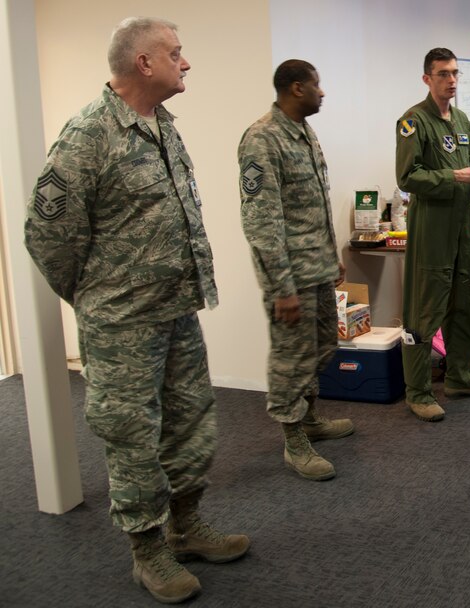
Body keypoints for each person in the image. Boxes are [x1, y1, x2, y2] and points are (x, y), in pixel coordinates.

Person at [24, 17, 248, 604]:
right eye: (177, 52)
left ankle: (187, 526)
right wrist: (97, 297)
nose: (187, 62)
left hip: (176, 310)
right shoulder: (87, 137)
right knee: (132, 438)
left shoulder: (162, 126)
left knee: (191, 424)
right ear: (143, 63)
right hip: (121, 324)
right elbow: (47, 238)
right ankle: (148, 552)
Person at [238, 60, 354, 482]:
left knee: (322, 347)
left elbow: (312, 205)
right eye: (317, 85)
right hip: (289, 277)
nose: (322, 92)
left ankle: (309, 418)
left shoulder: (304, 132)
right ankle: (293, 440)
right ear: (295, 88)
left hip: (317, 266)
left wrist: (330, 254)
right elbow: (262, 221)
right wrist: (281, 287)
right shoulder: (261, 139)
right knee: (291, 357)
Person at [395, 48, 470, 422]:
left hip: (460, 226)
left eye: (455, 73)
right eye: (442, 74)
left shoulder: (462, 120)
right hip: (431, 229)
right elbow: (407, 178)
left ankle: (461, 377)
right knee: (425, 310)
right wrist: (455, 176)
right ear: (427, 78)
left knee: (465, 302)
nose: (451, 80)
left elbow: (468, 172)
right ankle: (418, 392)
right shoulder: (413, 122)